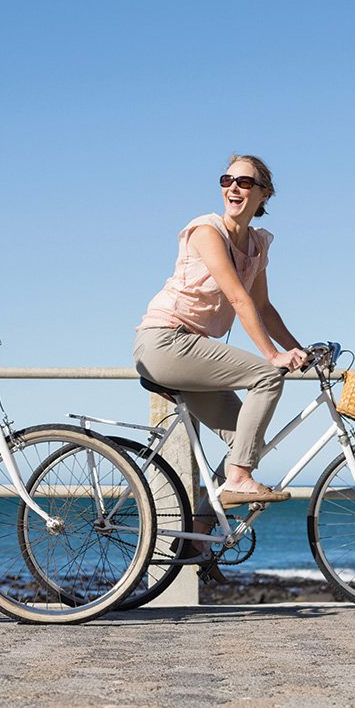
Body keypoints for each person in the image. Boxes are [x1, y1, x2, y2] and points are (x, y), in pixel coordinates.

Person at [133, 154, 308, 511]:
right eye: (227, 181)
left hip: (191, 350)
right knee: (266, 377)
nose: (233, 188)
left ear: (264, 194)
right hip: (165, 341)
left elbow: (264, 307)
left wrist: (300, 352)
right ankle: (239, 480)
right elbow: (238, 298)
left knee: (247, 440)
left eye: (244, 182)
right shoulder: (207, 231)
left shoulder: (257, 245)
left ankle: (201, 529)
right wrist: (273, 356)